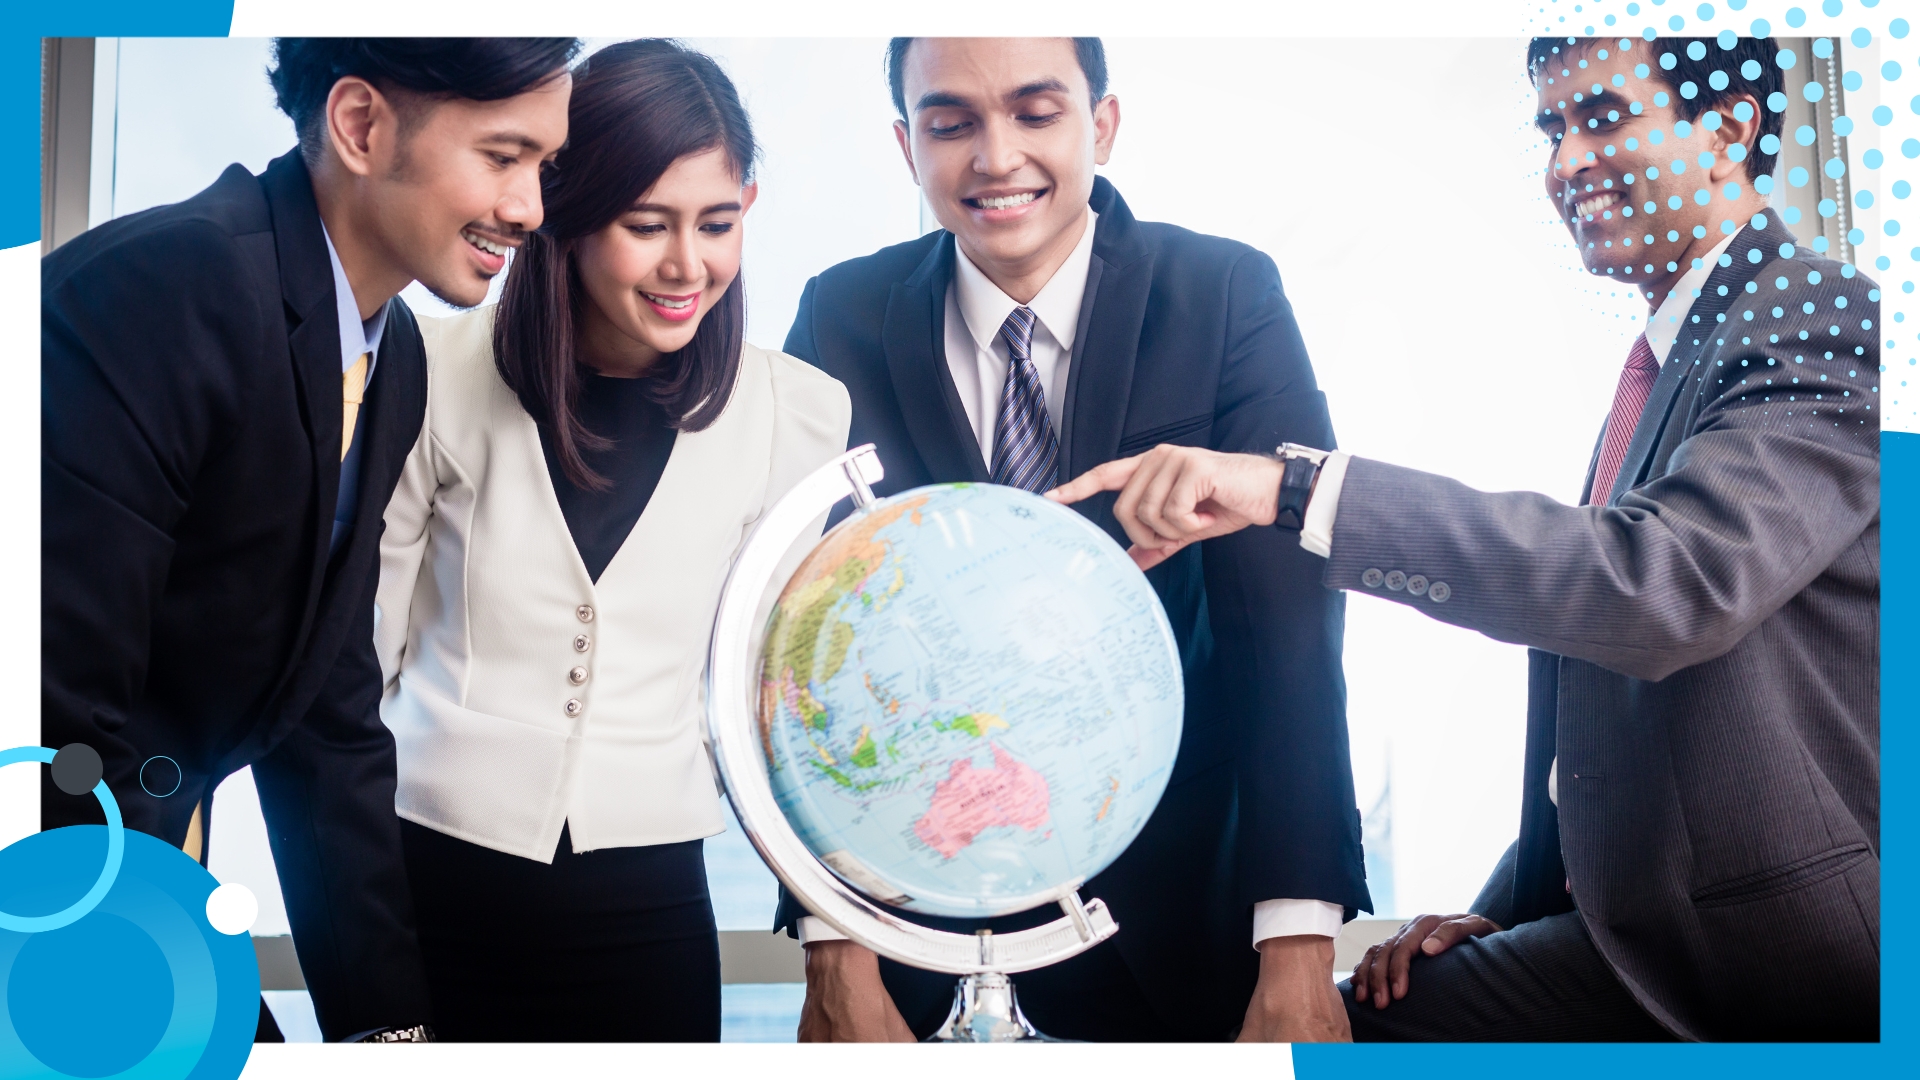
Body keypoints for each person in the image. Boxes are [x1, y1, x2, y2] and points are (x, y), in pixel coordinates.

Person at [1050, 33, 1879, 1042]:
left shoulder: (1821, 318)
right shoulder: (1677, 354)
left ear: (1727, 131)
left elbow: (1658, 587)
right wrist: (1509, 909)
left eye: (1605, 119)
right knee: (1371, 1018)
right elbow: (1605, 711)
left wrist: (1294, 487)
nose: (1565, 164)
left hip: (1793, 958)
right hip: (1633, 933)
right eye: (1554, 129)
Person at [777, 36, 1365, 1043]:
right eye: (950, 122)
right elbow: (802, 652)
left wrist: (1300, 952)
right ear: (904, 144)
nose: (995, 156)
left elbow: (1287, 627)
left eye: (1036, 112)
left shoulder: (1223, 296)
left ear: (1103, 123)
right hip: (912, 932)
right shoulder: (843, 315)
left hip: (1176, 932)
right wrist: (836, 951)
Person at [42, 37, 577, 1042]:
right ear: (362, 126)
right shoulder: (171, 289)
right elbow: (48, 723)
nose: (531, 209)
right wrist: (209, 1018)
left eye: (543, 166)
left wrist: (389, 1037)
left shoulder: (390, 356)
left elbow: (329, 719)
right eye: (503, 157)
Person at [373, 39, 851, 1043]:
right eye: (648, 225)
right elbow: (357, 667)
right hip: (426, 884)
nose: (689, 264)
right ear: (568, 214)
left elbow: (793, 711)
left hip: (650, 908)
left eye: (717, 224)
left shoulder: (799, 415)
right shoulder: (430, 365)